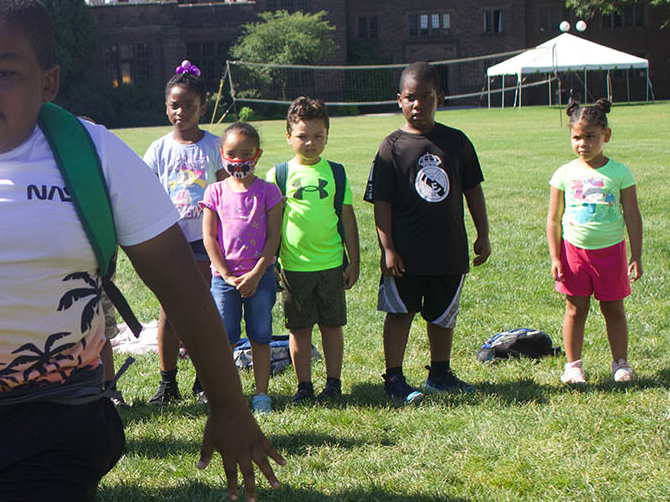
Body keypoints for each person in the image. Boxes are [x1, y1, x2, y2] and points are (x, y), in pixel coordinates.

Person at [0, 0, 283, 501]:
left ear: (47, 81)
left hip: (52, 420)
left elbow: (181, 285)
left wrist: (228, 404)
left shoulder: (97, 156)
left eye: (4, 71)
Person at [364, 61, 491, 404]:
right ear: (399, 100)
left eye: (426, 97)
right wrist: (387, 248)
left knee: (442, 314)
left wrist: (483, 234)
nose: (417, 104)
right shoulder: (391, 147)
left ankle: (440, 373)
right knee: (400, 311)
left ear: (441, 98)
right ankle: (393, 378)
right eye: (410, 97)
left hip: (447, 249)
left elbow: (472, 190)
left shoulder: (456, 142)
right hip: (406, 252)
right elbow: (382, 202)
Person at [266, 97, 360, 404]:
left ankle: (333, 383)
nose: (310, 142)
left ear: (327, 136)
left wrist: (354, 260)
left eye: (318, 136)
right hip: (293, 267)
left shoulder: (336, 173)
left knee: (332, 326)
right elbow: (272, 225)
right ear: (288, 136)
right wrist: (272, 263)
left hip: (331, 264)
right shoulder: (278, 175)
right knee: (300, 328)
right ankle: (304, 385)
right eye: (303, 136)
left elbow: (347, 217)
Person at [142, 61, 225, 406]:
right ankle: (168, 382)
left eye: (189, 105)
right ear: (166, 107)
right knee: (169, 310)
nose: (181, 112)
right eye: (175, 105)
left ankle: (204, 380)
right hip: (170, 241)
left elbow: (229, 191)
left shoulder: (215, 146)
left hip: (206, 240)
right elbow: (144, 193)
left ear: (202, 107)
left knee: (205, 308)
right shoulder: (159, 150)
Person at [546, 98, 643, 385]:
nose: (583, 143)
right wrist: (555, 256)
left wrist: (635, 254)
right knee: (575, 309)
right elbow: (553, 219)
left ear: (606, 136)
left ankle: (620, 363)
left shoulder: (620, 173)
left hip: (611, 253)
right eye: (577, 137)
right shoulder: (563, 173)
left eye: (590, 136)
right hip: (574, 253)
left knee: (613, 309)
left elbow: (633, 216)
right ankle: (573, 366)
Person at [201, 122, 285, 414]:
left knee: (261, 335)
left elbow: (274, 237)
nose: (239, 161)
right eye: (232, 154)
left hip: (260, 278)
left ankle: (261, 394)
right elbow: (209, 238)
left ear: (258, 155)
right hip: (224, 281)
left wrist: (258, 273)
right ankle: (227, 395)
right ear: (222, 153)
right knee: (224, 337)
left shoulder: (269, 191)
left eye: (246, 154)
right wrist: (225, 274)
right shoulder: (214, 192)